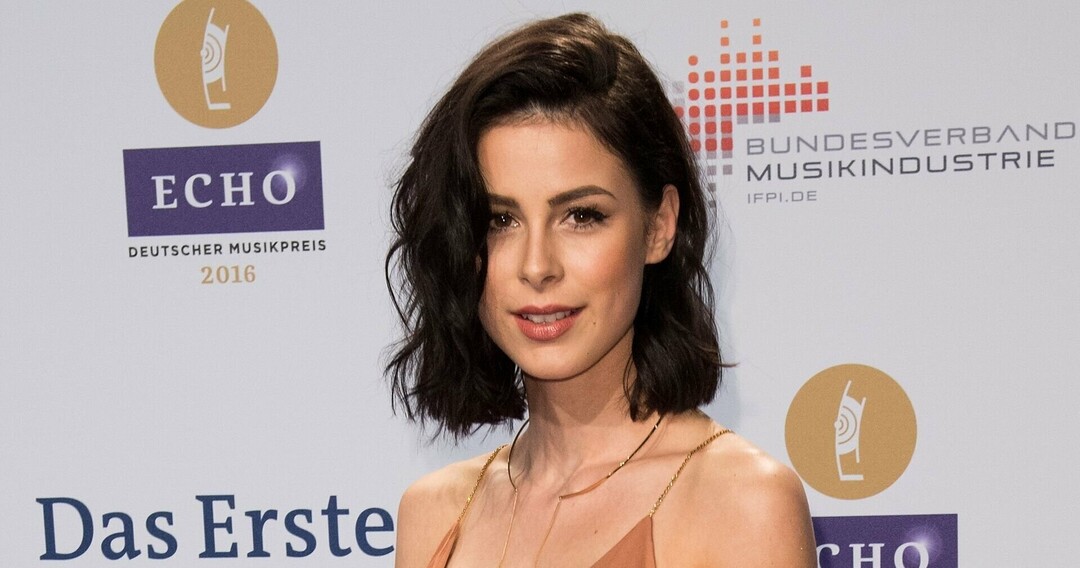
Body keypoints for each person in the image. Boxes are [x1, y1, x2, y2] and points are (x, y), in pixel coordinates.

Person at [385, 13, 815, 567]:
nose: (537, 266)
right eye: (500, 220)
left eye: (582, 216)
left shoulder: (741, 503)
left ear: (659, 226)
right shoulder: (433, 512)